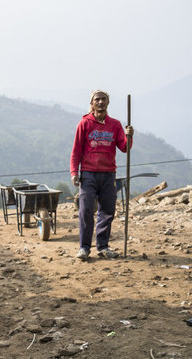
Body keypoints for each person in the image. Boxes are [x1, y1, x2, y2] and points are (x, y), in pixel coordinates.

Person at [70, 90, 133, 261]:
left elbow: (125, 148)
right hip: (88, 174)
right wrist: (74, 172)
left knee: (108, 211)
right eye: (97, 99)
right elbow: (76, 151)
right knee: (86, 210)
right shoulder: (84, 124)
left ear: (108, 103)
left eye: (103, 99)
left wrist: (129, 137)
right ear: (91, 103)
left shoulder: (115, 125)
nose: (100, 102)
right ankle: (84, 247)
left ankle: (103, 246)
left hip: (108, 174)